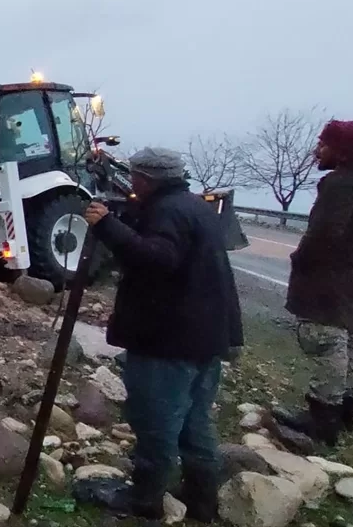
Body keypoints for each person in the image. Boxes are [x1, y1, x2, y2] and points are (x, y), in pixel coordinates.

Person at [82, 147, 243, 522]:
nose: (132, 183)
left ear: (146, 178)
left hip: (169, 339)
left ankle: (145, 500)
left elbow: (158, 259)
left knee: (155, 420)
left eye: (135, 177)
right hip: (204, 336)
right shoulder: (193, 206)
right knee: (195, 421)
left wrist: (107, 226)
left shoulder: (168, 211)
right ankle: (202, 500)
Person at [274, 121, 353, 446]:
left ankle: (322, 417)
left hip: (334, 279)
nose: (318, 150)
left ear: (344, 149)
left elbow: (325, 235)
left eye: (324, 143)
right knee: (351, 341)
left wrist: (301, 260)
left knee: (327, 340)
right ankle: (345, 409)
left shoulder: (343, 184)